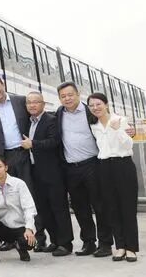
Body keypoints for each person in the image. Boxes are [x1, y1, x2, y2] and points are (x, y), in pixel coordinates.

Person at [55, 82, 113, 257]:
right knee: (80, 208)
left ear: (78, 94)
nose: (67, 98)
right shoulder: (59, 113)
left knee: (100, 205)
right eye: (63, 96)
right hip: (71, 168)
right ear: (59, 98)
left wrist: (128, 130)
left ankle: (105, 243)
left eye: (70, 94)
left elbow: (108, 121)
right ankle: (89, 242)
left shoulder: (90, 110)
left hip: (92, 165)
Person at [87, 92, 139, 262]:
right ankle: (120, 246)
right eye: (92, 105)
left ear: (106, 104)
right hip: (104, 167)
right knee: (112, 208)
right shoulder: (93, 125)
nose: (95, 108)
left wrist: (117, 130)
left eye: (98, 104)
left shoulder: (120, 120)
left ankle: (131, 248)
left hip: (123, 165)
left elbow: (128, 144)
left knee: (128, 208)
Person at [22, 91, 73, 256]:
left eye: (36, 102)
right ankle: (55, 241)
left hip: (53, 172)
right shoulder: (29, 123)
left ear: (43, 104)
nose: (32, 105)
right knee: (44, 209)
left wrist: (33, 144)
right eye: (29, 102)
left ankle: (66, 244)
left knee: (59, 208)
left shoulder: (51, 120)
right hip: (36, 172)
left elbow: (54, 141)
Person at [0, 155, 37, 265]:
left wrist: (29, 228)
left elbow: (29, 207)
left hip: (20, 227)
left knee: (28, 243)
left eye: (0, 166)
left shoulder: (19, 184)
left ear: (6, 167)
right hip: (2, 228)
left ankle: (20, 247)